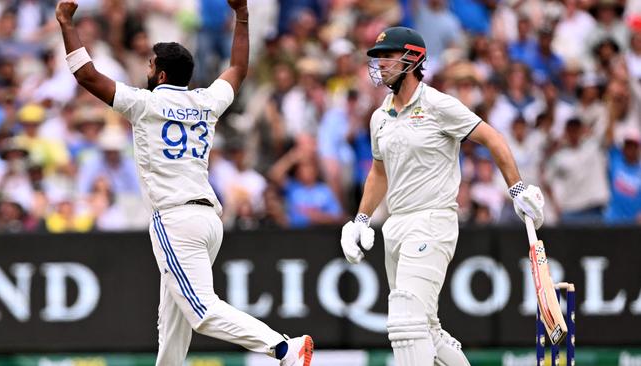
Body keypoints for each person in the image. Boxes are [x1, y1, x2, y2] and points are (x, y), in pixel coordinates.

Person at [54, 1, 313, 366]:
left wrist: (66, 22)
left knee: (201, 311)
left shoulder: (142, 103)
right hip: (208, 220)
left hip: (175, 218)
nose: (146, 68)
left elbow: (85, 76)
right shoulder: (206, 101)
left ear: (160, 75)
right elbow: (238, 67)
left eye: (150, 64)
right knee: (173, 322)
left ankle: (284, 347)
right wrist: (242, 16)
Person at [339, 26, 545, 366]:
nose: (380, 64)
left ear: (412, 58)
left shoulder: (438, 105)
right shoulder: (380, 118)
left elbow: (493, 138)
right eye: (377, 58)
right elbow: (379, 172)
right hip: (395, 226)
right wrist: (361, 219)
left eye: (387, 56)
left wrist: (517, 188)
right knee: (426, 330)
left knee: (405, 319)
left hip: (433, 220)